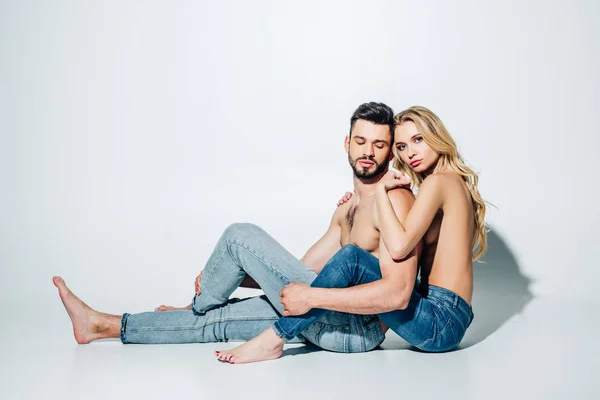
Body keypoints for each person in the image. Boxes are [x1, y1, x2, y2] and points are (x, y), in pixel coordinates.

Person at [52, 102, 419, 354]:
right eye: (360, 141)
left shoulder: (395, 199)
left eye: (379, 144)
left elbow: (398, 292)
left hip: (357, 331)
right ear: (346, 144)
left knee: (239, 235)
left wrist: (225, 274)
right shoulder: (346, 210)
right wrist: (239, 274)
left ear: (389, 152)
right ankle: (104, 326)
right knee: (216, 321)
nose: (368, 151)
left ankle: (196, 304)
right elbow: (300, 277)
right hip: (322, 319)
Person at [215, 105, 486, 364]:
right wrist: (362, 200)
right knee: (351, 260)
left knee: (352, 259)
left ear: (435, 136)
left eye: (418, 139)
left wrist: (379, 191)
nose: (409, 153)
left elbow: (400, 246)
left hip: (441, 319)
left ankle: (275, 338)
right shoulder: (450, 183)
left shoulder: (438, 182)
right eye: (402, 146)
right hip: (447, 316)